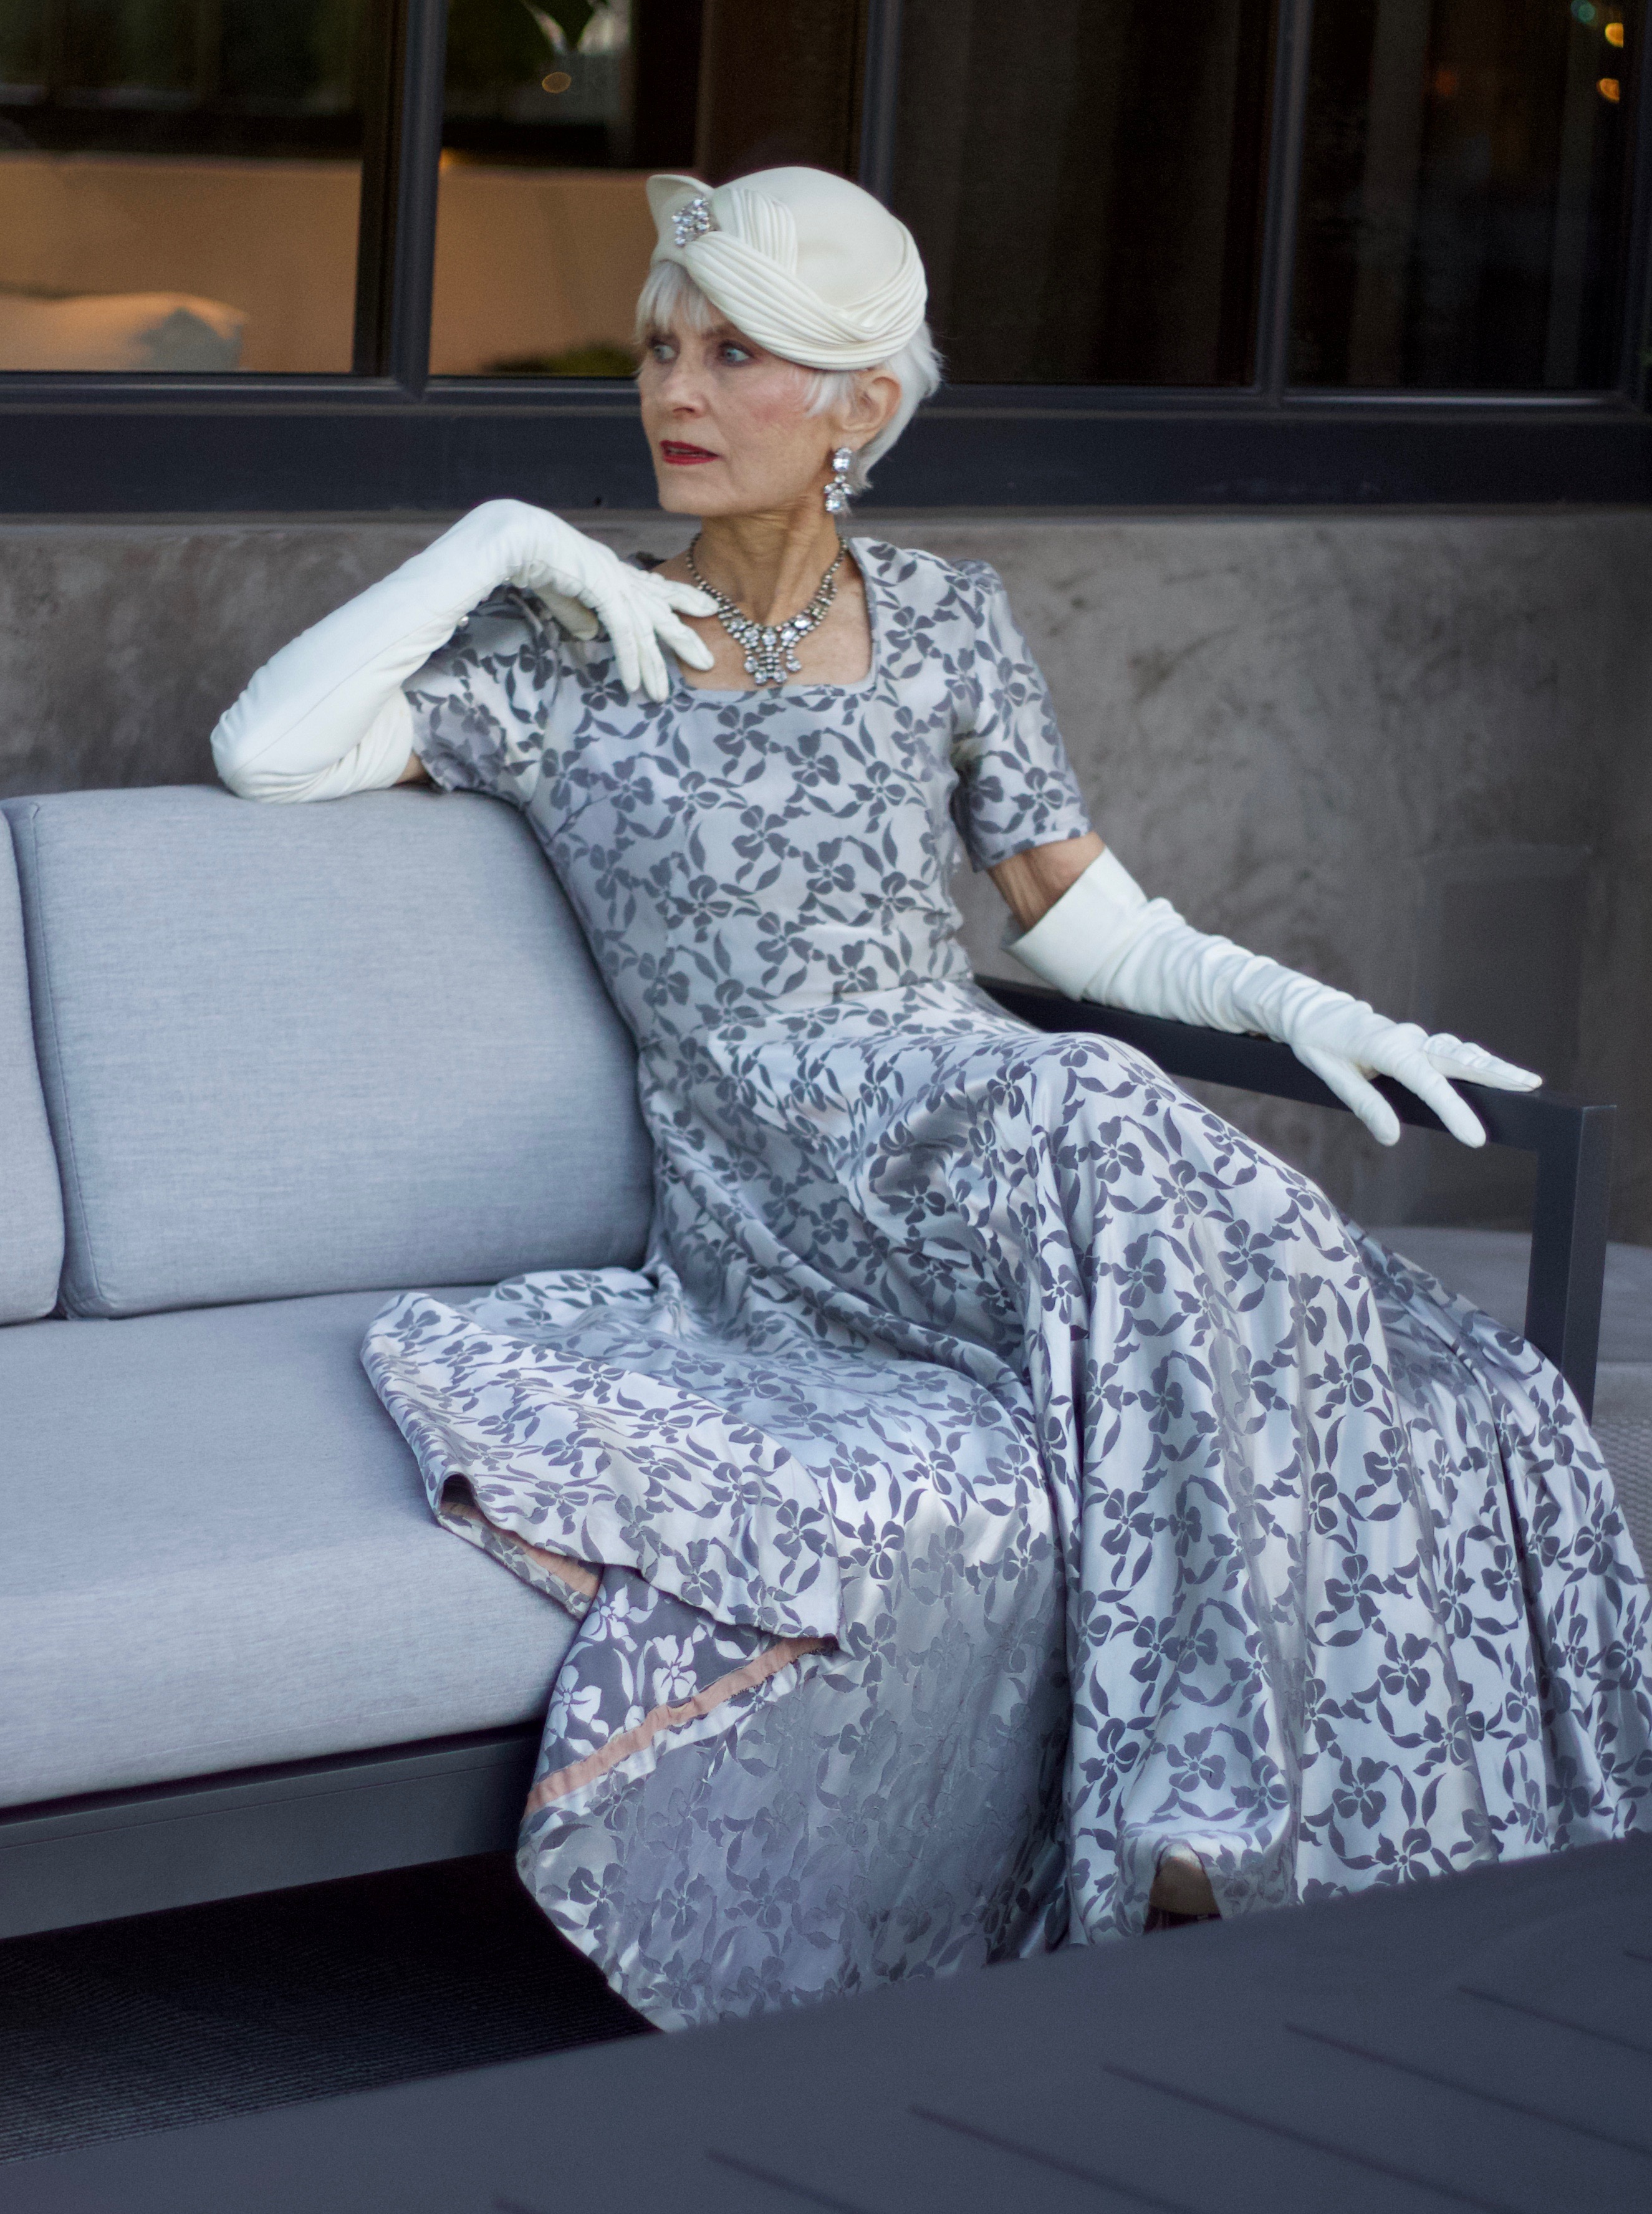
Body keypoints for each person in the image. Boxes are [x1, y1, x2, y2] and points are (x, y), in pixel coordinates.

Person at [211, 167, 1651, 2028]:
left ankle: (1371, 1878)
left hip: (990, 1124)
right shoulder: (566, 652)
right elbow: (266, 750)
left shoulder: (954, 623)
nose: (676, 389)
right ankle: (1222, 1841)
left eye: (736, 354)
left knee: (1474, 1388)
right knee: (1111, 1118)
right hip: (786, 1172)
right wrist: (504, 540)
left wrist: (1314, 1012)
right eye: (660, 347)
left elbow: (1083, 922)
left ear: (860, 404)